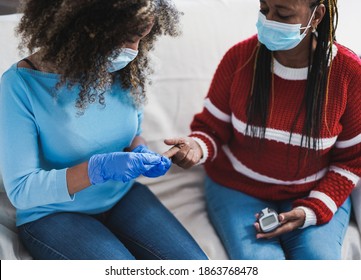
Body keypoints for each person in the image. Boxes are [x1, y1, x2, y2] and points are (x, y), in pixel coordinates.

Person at [0, 0, 208, 260]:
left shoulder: (123, 68)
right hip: (53, 213)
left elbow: (132, 131)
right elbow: (21, 190)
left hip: (122, 195)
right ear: (86, 27)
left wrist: (141, 150)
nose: (135, 50)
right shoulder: (19, 86)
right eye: (128, 38)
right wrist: (98, 169)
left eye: (141, 38)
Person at [164, 0, 361, 260]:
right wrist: (194, 147)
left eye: (283, 13)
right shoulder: (239, 60)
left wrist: (312, 210)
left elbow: (351, 160)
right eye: (264, 9)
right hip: (237, 187)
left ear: (317, 16)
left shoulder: (348, 73)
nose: (268, 21)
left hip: (312, 190)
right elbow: (211, 130)